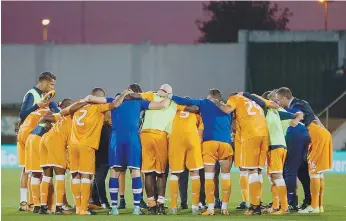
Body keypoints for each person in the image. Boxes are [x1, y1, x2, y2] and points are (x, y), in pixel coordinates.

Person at [158, 88, 233, 216]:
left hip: (209, 143)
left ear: (209, 97)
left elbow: (183, 101)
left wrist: (168, 95)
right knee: (224, 175)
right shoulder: (228, 108)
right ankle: (223, 207)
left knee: (206, 176)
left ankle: (208, 208)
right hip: (225, 143)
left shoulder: (203, 103)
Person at [68, 88, 130, 215]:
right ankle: (83, 209)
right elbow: (115, 104)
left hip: (73, 145)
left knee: (75, 176)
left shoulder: (79, 107)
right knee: (86, 176)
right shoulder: (97, 108)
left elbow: (67, 111)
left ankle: (78, 206)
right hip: (87, 145)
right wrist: (124, 94)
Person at [213, 93, 276, 216]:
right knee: (257, 171)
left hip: (250, 134)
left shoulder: (234, 98)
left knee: (251, 171)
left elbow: (227, 109)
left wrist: (218, 103)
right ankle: (256, 203)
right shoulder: (253, 97)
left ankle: (255, 206)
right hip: (264, 134)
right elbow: (274, 105)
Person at [276, 87, 333, 214]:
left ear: (285, 98)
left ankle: (313, 206)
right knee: (318, 173)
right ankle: (318, 205)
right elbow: (314, 118)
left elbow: (299, 118)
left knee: (314, 172)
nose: (278, 102)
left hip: (316, 136)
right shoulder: (302, 102)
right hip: (321, 134)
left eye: (279, 100)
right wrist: (325, 132)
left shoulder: (296, 105)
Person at [17, 71, 56, 211]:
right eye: (51, 84)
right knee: (29, 169)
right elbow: (22, 113)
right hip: (29, 134)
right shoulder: (32, 94)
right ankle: (26, 202)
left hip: (31, 133)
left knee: (32, 169)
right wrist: (37, 105)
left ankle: (31, 202)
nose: (52, 87)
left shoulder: (42, 95)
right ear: (44, 82)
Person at [168, 101, 204, 215]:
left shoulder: (174, 109)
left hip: (176, 140)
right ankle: (195, 207)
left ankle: (173, 207)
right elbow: (201, 131)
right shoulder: (196, 113)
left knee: (175, 173)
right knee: (195, 172)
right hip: (192, 139)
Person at [25, 102, 60, 213]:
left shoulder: (43, 112)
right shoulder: (58, 113)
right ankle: (44, 205)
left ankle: (37, 205)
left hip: (31, 138)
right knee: (46, 172)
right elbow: (47, 122)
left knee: (35, 173)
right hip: (39, 138)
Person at [91, 121, 112, 209]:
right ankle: (103, 201)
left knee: (98, 179)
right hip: (100, 156)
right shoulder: (98, 126)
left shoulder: (108, 127)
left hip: (108, 155)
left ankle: (96, 200)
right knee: (99, 178)